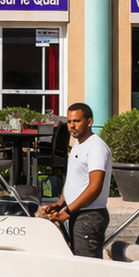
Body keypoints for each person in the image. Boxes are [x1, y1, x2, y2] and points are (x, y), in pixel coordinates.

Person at [40, 103, 111, 257]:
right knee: (77, 261)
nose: (72, 126)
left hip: (89, 216)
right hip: (78, 212)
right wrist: (60, 204)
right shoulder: (78, 145)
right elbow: (74, 178)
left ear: (89, 121)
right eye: (69, 122)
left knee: (88, 268)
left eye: (76, 121)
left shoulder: (96, 148)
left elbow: (95, 186)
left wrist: (68, 211)